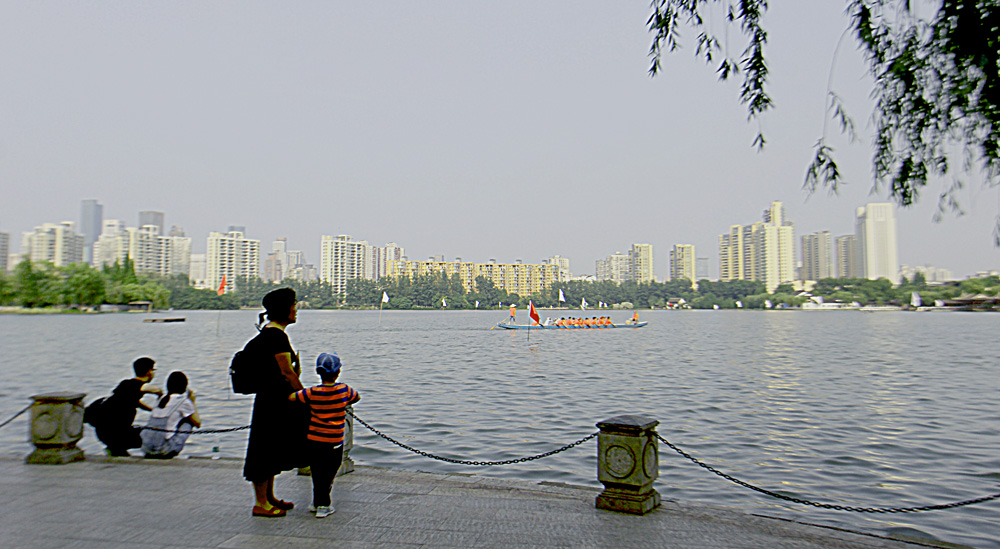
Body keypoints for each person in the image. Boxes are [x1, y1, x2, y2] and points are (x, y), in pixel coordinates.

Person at [243, 287, 307, 518]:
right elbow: (287, 372)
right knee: (263, 450)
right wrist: (304, 397)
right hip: (272, 402)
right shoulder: (276, 337)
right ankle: (261, 502)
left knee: (270, 450)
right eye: (293, 305)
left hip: (268, 399)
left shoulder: (270, 333)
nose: (296, 309)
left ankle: (269, 497)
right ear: (284, 309)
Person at [289, 352, 361, 518]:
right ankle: (324, 505)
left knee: (317, 472)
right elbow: (356, 397)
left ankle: (317, 501)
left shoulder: (312, 392)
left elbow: (293, 397)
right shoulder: (344, 390)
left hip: (314, 440)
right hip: (334, 441)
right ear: (338, 372)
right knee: (329, 474)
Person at [96, 357, 163, 457]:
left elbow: (135, 402)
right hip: (116, 433)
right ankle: (117, 448)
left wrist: (152, 410)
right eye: (153, 370)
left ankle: (115, 450)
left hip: (104, 432)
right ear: (149, 371)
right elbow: (154, 389)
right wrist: (160, 394)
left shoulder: (125, 385)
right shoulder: (134, 385)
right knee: (154, 435)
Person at [141, 371, 201, 459]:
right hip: (164, 449)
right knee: (189, 421)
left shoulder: (161, 399)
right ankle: (172, 450)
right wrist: (192, 402)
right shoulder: (183, 401)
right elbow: (198, 423)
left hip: (147, 447)